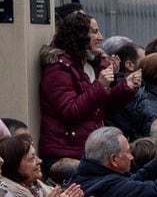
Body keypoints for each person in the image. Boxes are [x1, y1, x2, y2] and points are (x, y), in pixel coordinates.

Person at [40, 10, 138, 162]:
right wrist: (100, 85)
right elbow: (70, 111)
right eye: (95, 32)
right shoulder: (59, 68)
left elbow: (101, 109)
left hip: (89, 149)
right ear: (79, 35)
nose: (101, 37)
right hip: (65, 153)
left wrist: (125, 87)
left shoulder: (93, 64)